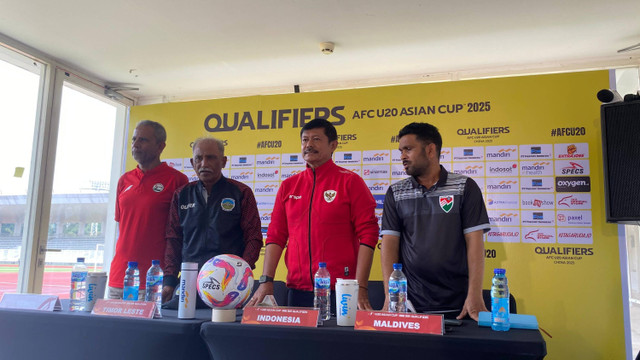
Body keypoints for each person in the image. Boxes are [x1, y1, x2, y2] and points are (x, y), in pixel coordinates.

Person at [247, 118, 379, 310]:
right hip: (297, 290)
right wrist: (266, 281)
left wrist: (361, 286)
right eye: (304, 140)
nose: (308, 145)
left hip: (341, 290)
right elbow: (276, 236)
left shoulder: (351, 182)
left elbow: (369, 234)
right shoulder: (288, 186)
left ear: (333, 145)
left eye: (316, 139)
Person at [380, 122, 491, 321]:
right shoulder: (395, 192)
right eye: (401, 151)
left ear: (430, 150)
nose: (402, 157)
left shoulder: (465, 187)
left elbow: (475, 243)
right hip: (410, 304)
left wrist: (474, 295)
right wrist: (391, 295)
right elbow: (389, 245)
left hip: (458, 305)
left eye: (408, 149)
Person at [162, 137, 263, 304]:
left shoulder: (241, 192)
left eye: (211, 157)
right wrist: (169, 281)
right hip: (189, 283)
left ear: (223, 162)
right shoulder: (181, 195)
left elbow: (253, 238)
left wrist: (241, 273)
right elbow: (173, 240)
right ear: (192, 162)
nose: (204, 163)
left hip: (229, 285)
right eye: (199, 158)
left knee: (224, 330)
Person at [108, 120, 189, 300]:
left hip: (154, 280)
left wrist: (170, 278)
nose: (135, 145)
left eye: (143, 140)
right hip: (119, 278)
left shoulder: (178, 181)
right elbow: (124, 227)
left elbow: (182, 235)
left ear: (161, 146)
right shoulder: (124, 180)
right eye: (134, 139)